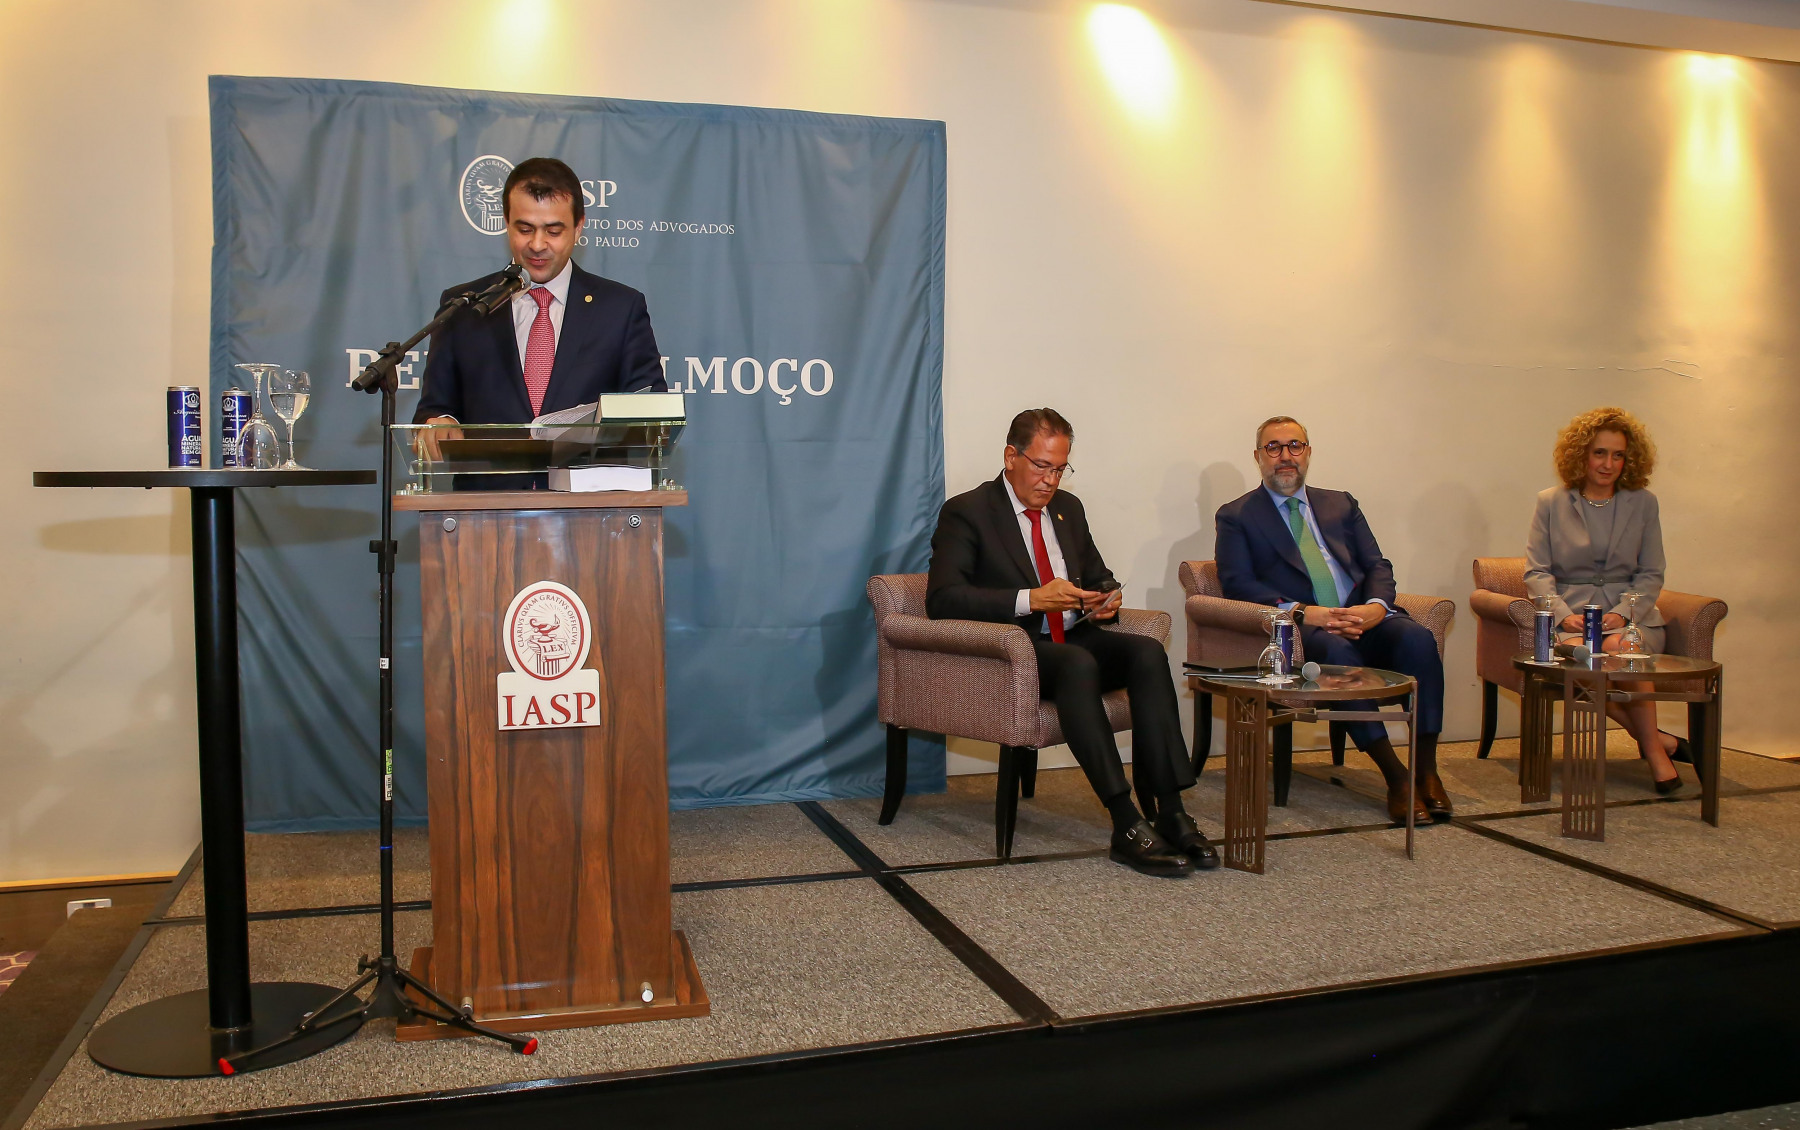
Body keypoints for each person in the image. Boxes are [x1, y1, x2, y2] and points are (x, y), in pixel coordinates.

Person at [927, 409, 1216, 876]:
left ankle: (1170, 809)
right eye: (1042, 466)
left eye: (1061, 469)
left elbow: (1099, 576)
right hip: (1014, 652)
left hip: (1073, 636)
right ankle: (1125, 821)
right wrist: (1030, 599)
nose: (1051, 480)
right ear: (1011, 457)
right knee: (1076, 663)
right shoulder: (968, 511)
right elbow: (942, 599)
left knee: (1146, 653)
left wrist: (1106, 600)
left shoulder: (1069, 509)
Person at [1214, 416, 1447, 826]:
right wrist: (1305, 611)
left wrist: (1376, 607)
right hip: (1307, 631)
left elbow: (1377, 564)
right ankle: (1396, 776)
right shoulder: (1237, 515)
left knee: (1417, 639)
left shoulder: (1341, 503)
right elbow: (1237, 583)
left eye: (1295, 445)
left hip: (1363, 618)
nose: (1285, 456)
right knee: (1334, 651)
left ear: (1308, 452)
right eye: (1273, 447)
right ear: (1258, 457)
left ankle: (1427, 770)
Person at [415, 156, 666, 433]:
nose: (537, 244)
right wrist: (440, 422)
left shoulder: (620, 309)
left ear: (578, 227)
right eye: (525, 229)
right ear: (506, 223)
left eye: (553, 231)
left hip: (585, 464)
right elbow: (434, 408)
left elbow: (652, 416)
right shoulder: (464, 307)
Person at [1525, 406, 1686, 793]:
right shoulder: (1551, 502)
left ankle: (1654, 749)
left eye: (1618, 455)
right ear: (1581, 454)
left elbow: (1651, 572)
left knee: (1620, 649)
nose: (1608, 464)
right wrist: (1563, 616)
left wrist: (1622, 614)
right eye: (1600, 453)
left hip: (1631, 617)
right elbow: (1537, 572)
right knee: (1588, 660)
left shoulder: (1643, 503)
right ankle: (1657, 745)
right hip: (1572, 619)